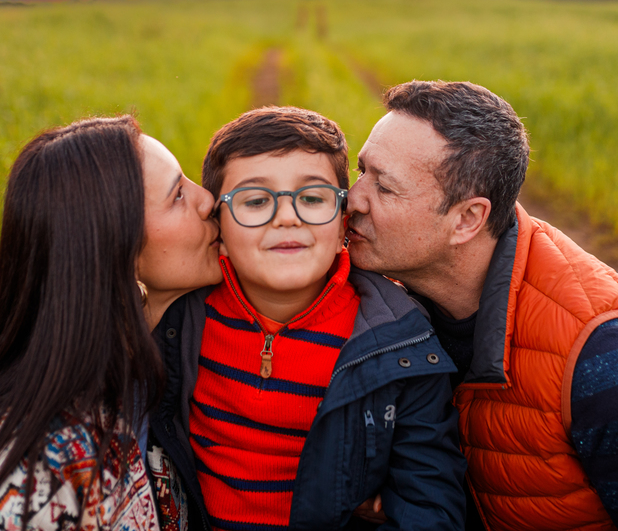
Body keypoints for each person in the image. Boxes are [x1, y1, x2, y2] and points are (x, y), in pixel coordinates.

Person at [346, 81, 618, 531]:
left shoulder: (608, 365)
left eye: (385, 187)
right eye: (361, 171)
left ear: (467, 219)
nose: (353, 199)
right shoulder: (379, 300)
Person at [149, 106, 467, 531]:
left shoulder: (399, 342)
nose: (287, 217)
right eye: (255, 201)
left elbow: (430, 506)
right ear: (218, 228)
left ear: (343, 226)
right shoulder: (183, 317)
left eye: (313, 198)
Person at [0, 116, 223, 531]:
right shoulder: (27, 481)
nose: (208, 200)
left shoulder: (157, 373)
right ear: (117, 252)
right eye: (177, 195)